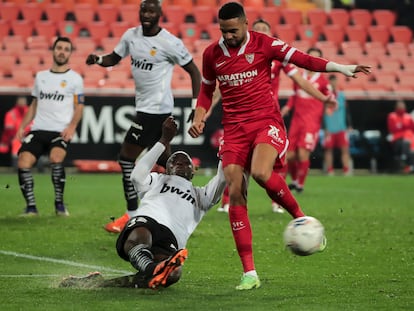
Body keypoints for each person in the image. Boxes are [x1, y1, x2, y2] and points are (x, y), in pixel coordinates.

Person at [188, 2, 370, 290]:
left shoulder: (265, 44)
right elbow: (206, 90)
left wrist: (341, 67)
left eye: (233, 30)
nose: (228, 36)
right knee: (235, 191)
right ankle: (249, 273)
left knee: (261, 172)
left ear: (246, 24)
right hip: (234, 129)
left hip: (265, 122)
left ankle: (301, 218)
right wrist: (198, 117)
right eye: (223, 31)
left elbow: (302, 60)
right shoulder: (212, 53)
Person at [60, 117, 226, 290]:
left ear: (193, 171)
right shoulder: (156, 180)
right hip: (147, 222)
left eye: (185, 163)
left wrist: (225, 153)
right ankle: (154, 268)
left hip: (172, 238)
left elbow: (222, 178)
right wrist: (163, 140)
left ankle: (101, 284)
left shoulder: (201, 196)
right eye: (174, 162)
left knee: (174, 273)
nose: (180, 164)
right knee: (141, 236)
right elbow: (135, 176)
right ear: (167, 168)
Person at [85, 0, 201, 233]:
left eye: (151, 11)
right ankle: (188, 203)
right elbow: (114, 58)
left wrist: (196, 107)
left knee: (126, 157)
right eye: (143, 10)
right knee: (167, 166)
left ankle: (133, 214)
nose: (146, 14)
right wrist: (98, 60)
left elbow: (194, 72)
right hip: (147, 110)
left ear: (159, 14)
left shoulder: (169, 42)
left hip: (155, 112)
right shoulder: (131, 36)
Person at [215, 19, 337, 214]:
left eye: (266, 29)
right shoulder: (234, 56)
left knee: (278, 159)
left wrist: (323, 98)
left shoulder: (277, 56)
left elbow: (300, 81)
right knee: (237, 161)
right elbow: (219, 88)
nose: (262, 32)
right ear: (250, 30)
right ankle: (228, 201)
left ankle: (277, 202)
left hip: (267, 116)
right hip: (240, 115)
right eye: (259, 29)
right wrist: (202, 111)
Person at [16, 37, 84, 217]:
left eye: (66, 49)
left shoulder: (75, 79)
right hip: (38, 129)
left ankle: (59, 204)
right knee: (23, 161)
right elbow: (34, 104)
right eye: (59, 48)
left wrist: (72, 126)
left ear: (70, 53)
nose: (62, 51)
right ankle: (31, 208)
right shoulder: (41, 76)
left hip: (59, 130)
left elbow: (79, 106)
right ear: (53, 50)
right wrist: (23, 125)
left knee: (56, 158)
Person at [282, 47, 334, 193]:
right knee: (289, 154)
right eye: (310, 57)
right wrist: (288, 107)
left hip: (311, 121)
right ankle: (293, 180)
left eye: (316, 58)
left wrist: (330, 107)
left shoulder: (323, 81)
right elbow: (294, 94)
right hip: (297, 120)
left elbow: (330, 97)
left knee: (302, 153)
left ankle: (300, 185)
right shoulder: (298, 76)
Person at [323, 74, 352, 176]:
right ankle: (330, 170)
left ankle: (346, 170)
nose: (333, 83)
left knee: (345, 149)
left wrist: (349, 125)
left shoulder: (342, 95)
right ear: (329, 82)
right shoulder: (325, 95)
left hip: (341, 127)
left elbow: (347, 111)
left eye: (335, 81)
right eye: (332, 81)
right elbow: (321, 112)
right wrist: (324, 127)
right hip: (329, 128)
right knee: (328, 150)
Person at [0, 96, 30, 168]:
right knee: (16, 143)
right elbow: (8, 129)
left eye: (23, 102)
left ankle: (37, 166)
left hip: (29, 135)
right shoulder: (11, 113)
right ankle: (15, 167)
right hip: (15, 136)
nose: (22, 104)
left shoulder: (30, 112)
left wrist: (26, 134)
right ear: (17, 103)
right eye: (20, 102)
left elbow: (33, 125)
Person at [387, 99, 414, 173]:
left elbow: (412, 128)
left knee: (410, 149)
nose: (401, 107)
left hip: (409, 138)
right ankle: (403, 158)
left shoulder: (408, 117)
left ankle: (408, 164)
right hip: (397, 138)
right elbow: (392, 128)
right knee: (403, 144)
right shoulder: (392, 116)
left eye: (402, 106)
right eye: (399, 106)